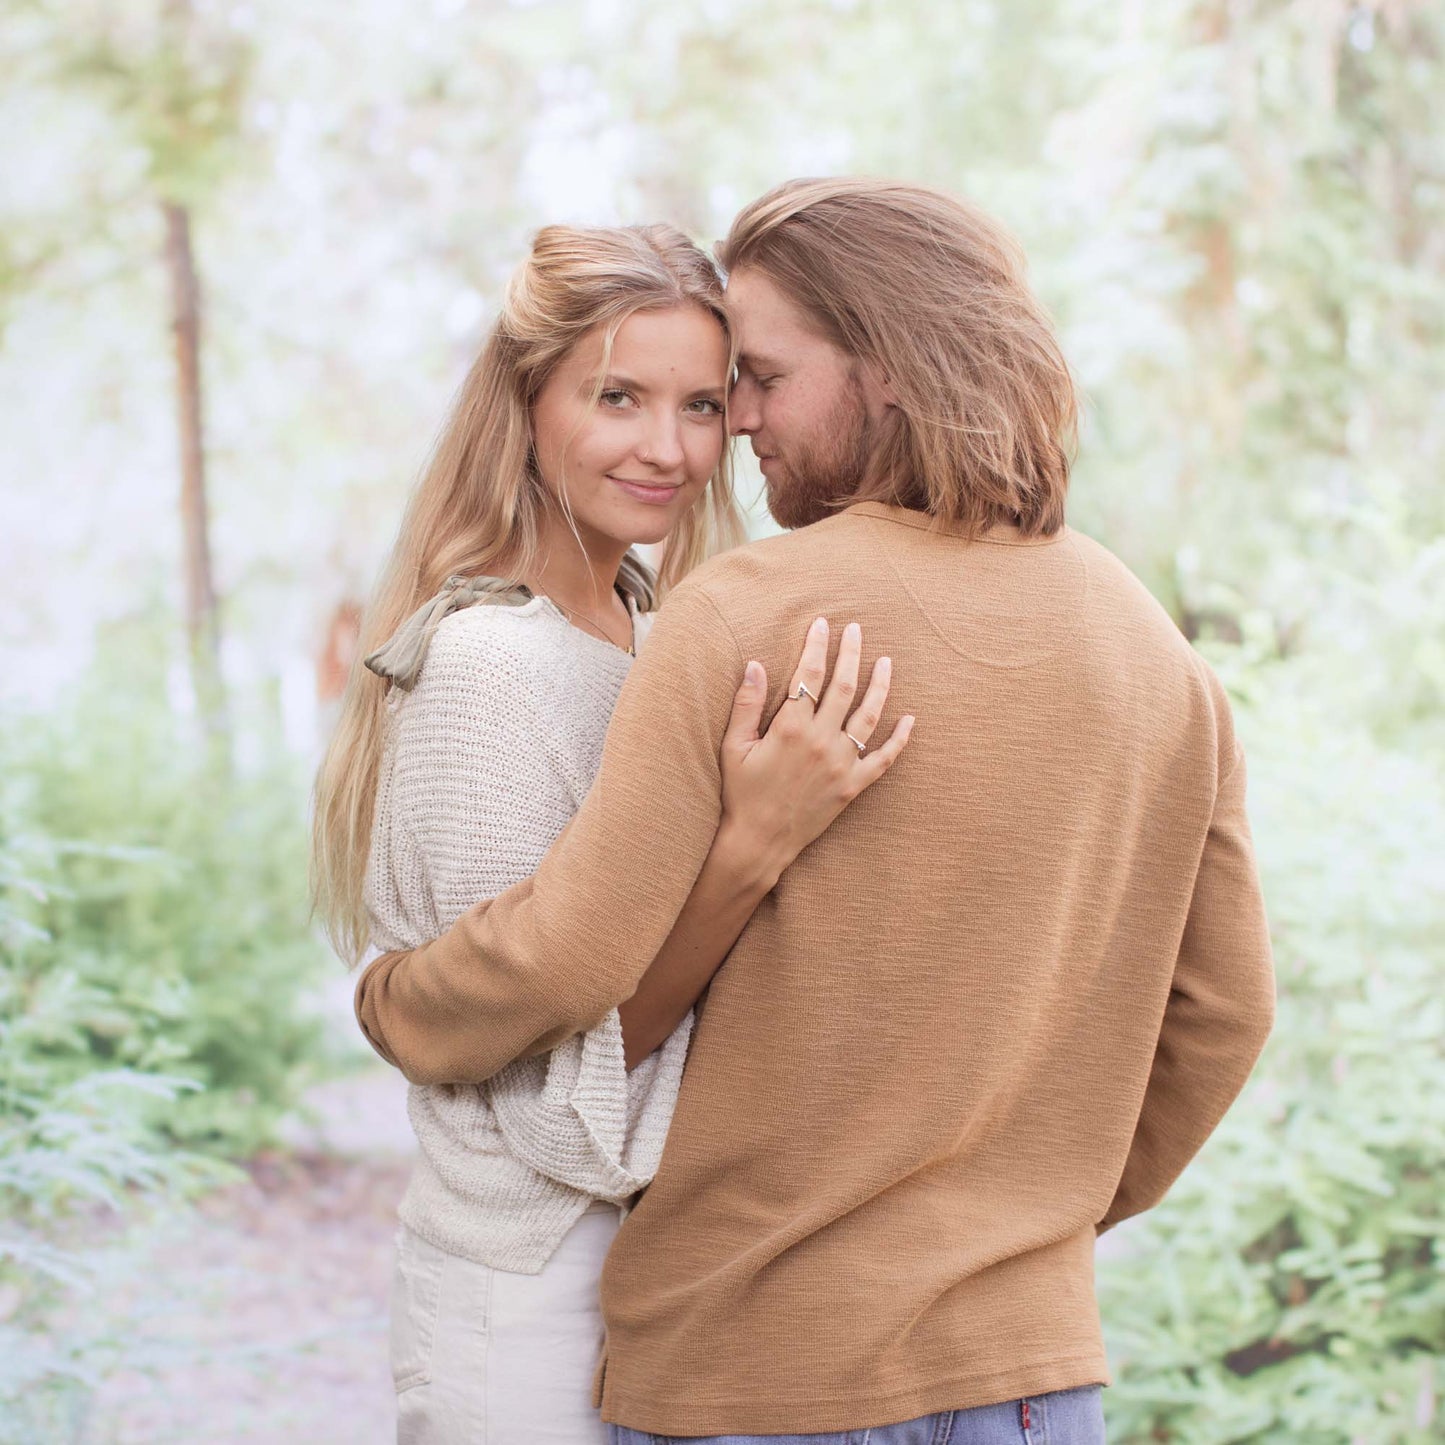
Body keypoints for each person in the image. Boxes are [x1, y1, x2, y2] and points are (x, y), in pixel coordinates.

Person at [355, 179, 1276, 1445]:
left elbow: (566, 950)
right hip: (1029, 1378)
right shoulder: (1156, 652)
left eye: (758, 379)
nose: (732, 425)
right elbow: (1226, 1016)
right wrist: (1019, 1221)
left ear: (885, 372)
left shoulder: (749, 612)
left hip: (758, 1368)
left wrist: (389, 997)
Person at [311, 222, 912, 1444]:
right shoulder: (488, 660)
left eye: (702, 404)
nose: (668, 447)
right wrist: (751, 847)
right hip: (520, 1289)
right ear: (526, 402)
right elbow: (556, 1093)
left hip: (652, 1276)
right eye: (617, 396)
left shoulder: (645, 629)